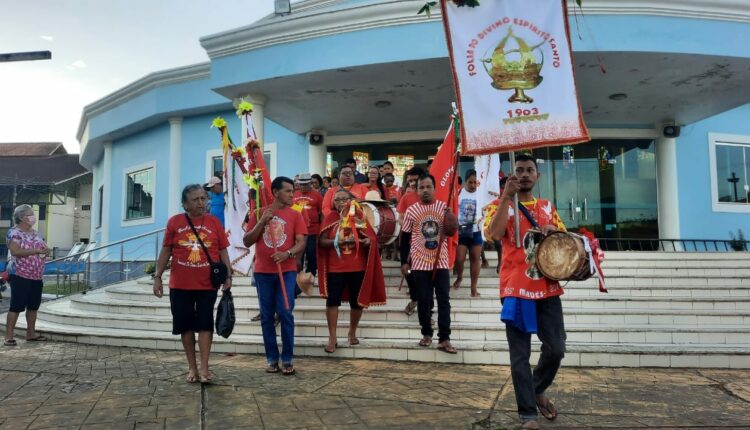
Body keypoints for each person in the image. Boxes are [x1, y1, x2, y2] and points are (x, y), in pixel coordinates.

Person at [489, 154, 567, 430]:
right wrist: (505, 200)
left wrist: (551, 232)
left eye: (529, 170)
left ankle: (536, 388)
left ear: (537, 176)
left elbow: (565, 246)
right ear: (511, 176)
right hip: (515, 288)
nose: (524, 174)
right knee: (519, 355)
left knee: (556, 348)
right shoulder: (499, 206)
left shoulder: (547, 207)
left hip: (547, 286)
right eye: (519, 170)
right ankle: (527, 415)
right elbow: (494, 235)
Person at [153, 185, 232, 383]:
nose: (201, 203)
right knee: (185, 326)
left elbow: (223, 251)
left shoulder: (214, 223)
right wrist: (157, 276)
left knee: (205, 325)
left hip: (207, 284)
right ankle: (192, 368)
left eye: (203, 199)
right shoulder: (175, 222)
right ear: (185, 204)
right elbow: (166, 250)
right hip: (180, 285)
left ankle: (204, 369)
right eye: (196, 199)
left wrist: (228, 275)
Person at [244, 176, 307, 375]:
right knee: (266, 316)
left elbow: (301, 242)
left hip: (286, 271)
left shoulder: (296, 214)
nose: (292, 195)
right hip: (263, 272)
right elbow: (247, 241)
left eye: (293, 191)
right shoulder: (258, 213)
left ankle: (287, 358)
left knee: (286, 312)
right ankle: (272, 359)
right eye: (288, 191)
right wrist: (262, 221)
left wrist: (287, 254)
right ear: (275, 192)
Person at [318, 189, 386, 353]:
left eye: (344, 199)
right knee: (332, 300)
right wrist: (337, 241)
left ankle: (352, 332)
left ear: (351, 200)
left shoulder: (359, 216)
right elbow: (321, 241)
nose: (340, 202)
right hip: (336, 268)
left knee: (357, 302)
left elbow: (371, 238)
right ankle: (332, 337)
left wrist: (365, 241)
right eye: (337, 200)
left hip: (357, 267)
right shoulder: (331, 218)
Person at [400, 174, 458, 354]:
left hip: (440, 261)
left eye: (428, 187)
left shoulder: (443, 208)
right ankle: (426, 332)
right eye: (421, 187)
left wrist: (450, 219)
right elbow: (405, 238)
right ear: (416, 190)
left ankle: (444, 338)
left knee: (444, 300)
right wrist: (403, 261)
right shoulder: (411, 211)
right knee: (424, 300)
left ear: (434, 188)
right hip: (419, 262)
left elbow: (451, 230)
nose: (425, 190)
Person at [4, 205, 50, 346]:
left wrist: (46, 250)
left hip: (36, 275)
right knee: (17, 305)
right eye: (30, 214)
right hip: (19, 274)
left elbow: (42, 246)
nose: (33, 217)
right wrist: (36, 251)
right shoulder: (14, 233)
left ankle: (31, 333)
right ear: (22, 217)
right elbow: (15, 251)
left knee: (33, 306)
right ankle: (8, 336)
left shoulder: (35, 233)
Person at [397, 166, 425, 314]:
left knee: (422, 276)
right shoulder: (406, 197)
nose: (412, 183)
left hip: (425, 245)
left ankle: (424, 308)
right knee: (407, 271)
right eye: (410, 181)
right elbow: (400, 217)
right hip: (407, 241)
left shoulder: (429, 195)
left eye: (415, 180)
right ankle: (415, 298)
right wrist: (411, 227)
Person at [454, 169, 483, 297]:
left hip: (477, 230)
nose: (472, 185)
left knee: (475, 258)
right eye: (470, 182)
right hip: (462, 229)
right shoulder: (459, 193)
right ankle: (459, 277)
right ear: (465, 182)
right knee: (459, 259)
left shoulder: (482, 194)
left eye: (475, 183)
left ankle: (473, 288)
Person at [293, 173, 323, 278]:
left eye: (306, 184)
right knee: (299, 253)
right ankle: (298, 276)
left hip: (313, 230)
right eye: (301, 184)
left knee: (311, 253)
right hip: (298, 231)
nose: (303, 187)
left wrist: (322, 228)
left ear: (310, 183)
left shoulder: (317, 195)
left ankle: (311, 275)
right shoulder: (294, 195)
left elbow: (321, 212)